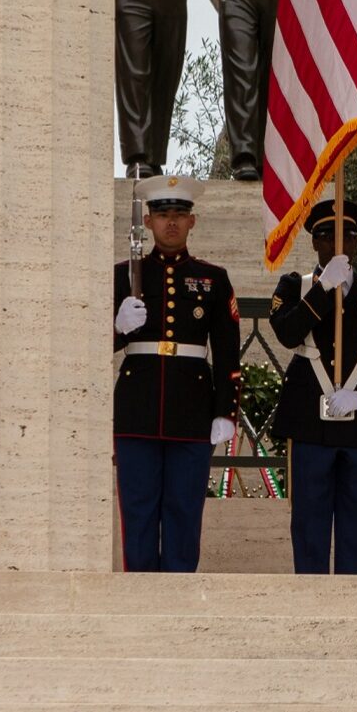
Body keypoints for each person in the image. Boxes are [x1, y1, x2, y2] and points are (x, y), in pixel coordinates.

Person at [268, 200, 357, 574]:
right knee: (309, 534)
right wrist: (323, 289)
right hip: (309, 428)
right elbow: (287, 333)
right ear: (315, 243)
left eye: (348, 236)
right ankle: (311, 605)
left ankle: (356, 606)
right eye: (328, 237)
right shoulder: (295, 287)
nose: (339, 244)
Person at [112, 180, 241, 572]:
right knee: (138, 514)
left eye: (180, 215)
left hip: (192, 412)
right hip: (137, 409)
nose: (172, 223)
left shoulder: (213, 278)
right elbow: (88, 347)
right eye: (164, 215)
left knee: (184, 515)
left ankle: (179, 596)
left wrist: (225, 411)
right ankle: (140, 597)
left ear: (192, 221)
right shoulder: (123, 275)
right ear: (148, 221)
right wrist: (116, 328)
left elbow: (227, 350)